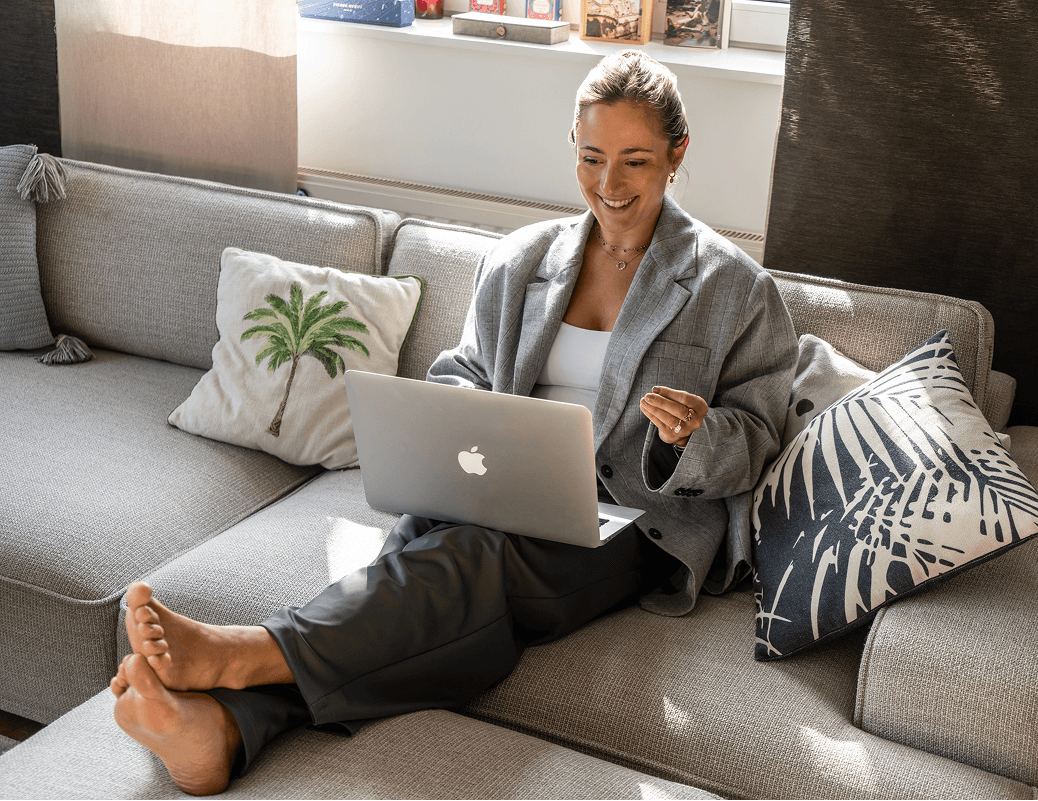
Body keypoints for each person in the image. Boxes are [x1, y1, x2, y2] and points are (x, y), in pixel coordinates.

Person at [108, 49, 800, 796]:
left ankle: (250, 652)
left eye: (634, 161)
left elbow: (759, 438)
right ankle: (223, 733)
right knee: (437, 573)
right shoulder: (520, 259)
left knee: (465, 560)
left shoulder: (736, 288)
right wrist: (454, 424)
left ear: (677, 154)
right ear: (572, 143)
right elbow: (463, 373)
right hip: (502, 493)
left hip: (632, 523)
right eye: (592, 156)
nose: (609, 184)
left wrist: (694, 437)